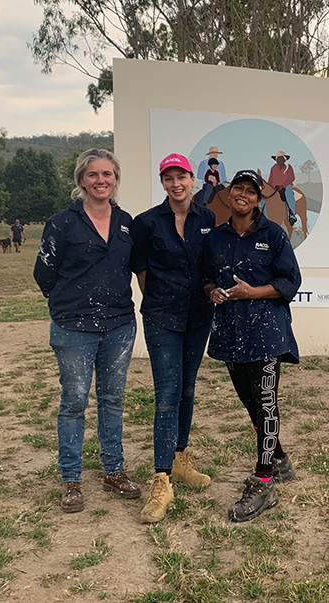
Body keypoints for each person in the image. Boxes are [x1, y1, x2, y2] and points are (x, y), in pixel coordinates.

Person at [33, 148, 141, 513]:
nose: (101, 181)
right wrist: (68, 302)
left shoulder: (127, 223)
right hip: (74, 327)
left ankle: (113, 471)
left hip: (119, 325)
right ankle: (72, 479)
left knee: (112, 400)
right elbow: (44, 273)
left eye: (107, 174)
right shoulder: (61, 223)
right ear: (81, 180)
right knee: (75, 402)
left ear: (116, 179)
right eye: (93, 175)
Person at [202, 169, 300, 522]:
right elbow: (205, 278)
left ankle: (263, 482)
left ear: (259, 199)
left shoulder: (273, 235)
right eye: (237, 189)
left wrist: (252, 292)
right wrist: (211, 290)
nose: (242, 195)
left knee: (267, 404)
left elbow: (291, 280)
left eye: (250, 191)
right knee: (251, 405)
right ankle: (280, 458)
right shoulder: (215, 239)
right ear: (229, 194)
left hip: (266, 335)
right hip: (230, 334)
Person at [130, 154, 216, 524]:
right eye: (169, 178)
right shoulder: (146, 223)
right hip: (162, 317)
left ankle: (181, 458)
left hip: (199, 316)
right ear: (163, 183)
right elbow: (141, 270)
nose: (176, 183)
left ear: (192, 179)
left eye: (181, 176)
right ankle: (161, 477)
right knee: (166, 395)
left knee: (187, 389)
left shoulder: (208, 219)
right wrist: (158, 302)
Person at [266, 150, 297, 225]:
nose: (279, 160)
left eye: (281, 159)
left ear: (284, 160)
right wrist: (271, 187)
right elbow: (270, 180)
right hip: (275, 187)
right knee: (265, 197)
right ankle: (265, 217)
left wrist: (283, 185)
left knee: (288, 192)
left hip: (286, 186)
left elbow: (291, 178)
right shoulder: (273, 168)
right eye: (278, 159)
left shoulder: (289, 167)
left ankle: (292, 215)